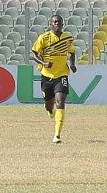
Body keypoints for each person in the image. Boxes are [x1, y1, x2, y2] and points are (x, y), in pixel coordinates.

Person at [32, 15, 77, 145]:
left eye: (59, 22)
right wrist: (44, 63)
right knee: (48, 104)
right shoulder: (43, 38)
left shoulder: (67, 38)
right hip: (47, 75)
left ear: (62, 24)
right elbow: (34, 54)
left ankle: (57, 135)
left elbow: (72, 52)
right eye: (54, 22)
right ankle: (50, 111)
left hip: (61, 75)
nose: (57, 24)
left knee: (60, 101)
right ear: (51, 24)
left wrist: (72, 64)